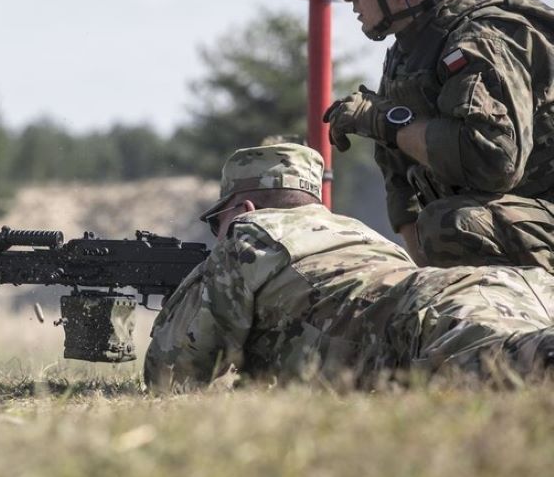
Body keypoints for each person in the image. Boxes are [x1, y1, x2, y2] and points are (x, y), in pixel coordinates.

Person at [144, 143, 554, 393]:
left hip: (431, 317)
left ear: (242, 209)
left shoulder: (251, 232)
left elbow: (173, 372)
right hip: (508, 284)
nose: (218, 234)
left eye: (217, 222)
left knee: (531, 368)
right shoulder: (357, 231)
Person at [322, 0, 554, 271]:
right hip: (522, 226)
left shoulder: (481, 41)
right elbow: (401, 178)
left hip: (538, 218)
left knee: (455, 224)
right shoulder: (410, 51)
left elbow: (494, 162)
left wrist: (385, 120)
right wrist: (427, 278)